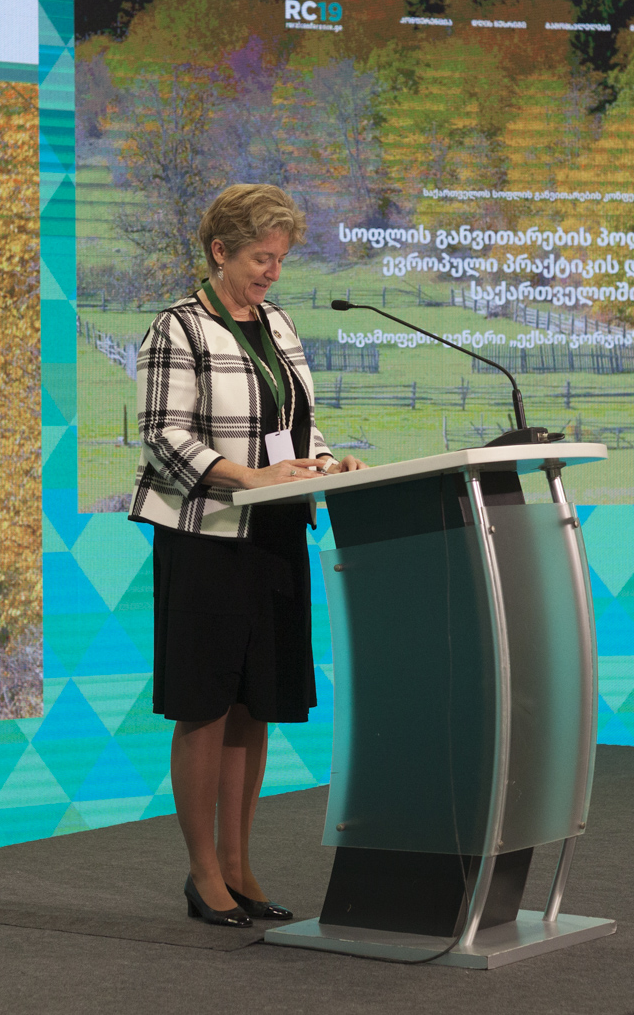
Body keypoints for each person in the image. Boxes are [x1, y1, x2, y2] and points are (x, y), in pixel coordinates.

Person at [130, 183, 366, 928]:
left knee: (254, 703)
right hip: (206, 536)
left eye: (280, 259)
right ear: (220, 251)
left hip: (274, 535)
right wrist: (249, 477)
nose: (272, 271)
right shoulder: (178, 328)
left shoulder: (279, 325)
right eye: (261, 257)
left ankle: (238, 864)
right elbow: (163, 437)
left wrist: (326, 463)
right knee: (204, 705)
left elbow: (297, 424)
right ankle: (203, 873)